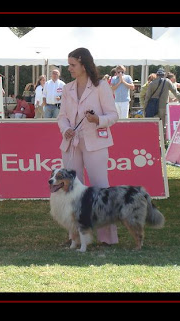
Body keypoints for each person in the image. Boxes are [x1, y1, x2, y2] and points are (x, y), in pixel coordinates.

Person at [58, 47, 119, 245]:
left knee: (101, 189)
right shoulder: (67, 88)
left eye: (73, 65)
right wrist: (65, 128)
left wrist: (97, 119)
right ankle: (74, 236)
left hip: (96, 143)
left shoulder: (101, 86)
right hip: (72, 144)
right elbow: (62, 117)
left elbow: (113, 115)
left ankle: (108, 238)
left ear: (84, 65)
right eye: (69, 65)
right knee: (70, 190)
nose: (69, 68)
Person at [144, 68, 180, 139]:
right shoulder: (167, 82)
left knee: (153, 124)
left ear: (157, 75)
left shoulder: (152, 84)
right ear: (164, 75)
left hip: (152, 107)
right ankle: (163, 142)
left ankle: (153, 139)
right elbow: (175, 92)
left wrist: (145, 107)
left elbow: (147, 97)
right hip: (163, 106)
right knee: (163, 125)